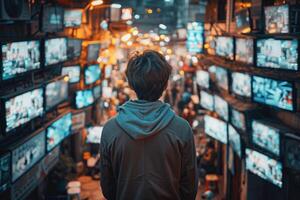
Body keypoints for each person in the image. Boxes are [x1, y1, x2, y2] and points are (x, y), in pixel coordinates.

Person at [100, 50, 198, 200]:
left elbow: (108, 188)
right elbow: (189, 188)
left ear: (131, 84)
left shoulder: (110, 129)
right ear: (165, 85)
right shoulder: (182, 129)